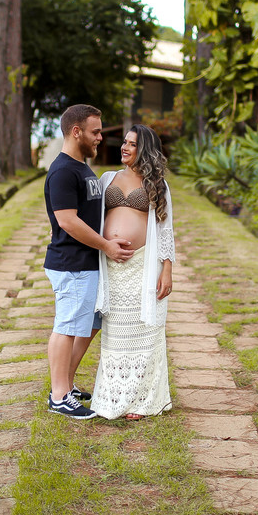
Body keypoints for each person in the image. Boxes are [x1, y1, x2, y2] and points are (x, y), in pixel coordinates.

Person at [43, 104, 134, 419]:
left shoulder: (82, 167)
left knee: (89, 325)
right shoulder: (63, 171)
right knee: (67, 327)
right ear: (76, 131)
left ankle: (65, 384)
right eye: (95, 132)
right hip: (71, 263)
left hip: (86, 263)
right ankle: (59, 397)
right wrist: (107, 246)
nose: (100, 137)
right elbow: (67, 221)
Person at [90, 124, 175, 420]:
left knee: (145, 330)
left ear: (146, 150)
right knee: (115, 334)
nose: (124, 147)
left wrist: (167, 268)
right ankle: (114, 396)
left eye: (132, 144)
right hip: (112, 266)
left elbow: (165, 229)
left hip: (143, 265)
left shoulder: (157, 185)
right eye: (124, 142)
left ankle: (141, 400)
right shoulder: (107, 179)